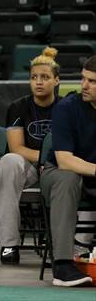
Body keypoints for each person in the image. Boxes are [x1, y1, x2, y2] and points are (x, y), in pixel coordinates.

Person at [0, 47, 60, 265]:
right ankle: (9, 245)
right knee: (9, 161)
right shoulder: (18, 107)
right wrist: (43, 158)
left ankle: (69, 245)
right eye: (34, 77)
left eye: (45, 77)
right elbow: (16, 148)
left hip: (58, 165)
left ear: (57, 80)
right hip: (30, 166)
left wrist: (53, 160)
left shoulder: (66, 107)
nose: (38, 82)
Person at [40, 55, 96, 287]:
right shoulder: (67, 108)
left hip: (91, 174)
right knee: (68, 178)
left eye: (92, 81)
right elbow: (64, 161)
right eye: (83, 79)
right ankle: (62, 266)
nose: (84, 85)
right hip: (58, 172)